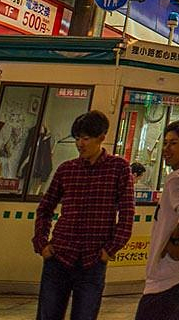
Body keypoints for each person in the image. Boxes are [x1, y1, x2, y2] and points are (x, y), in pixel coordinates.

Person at [33, 109, 134, 320]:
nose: (80, 143)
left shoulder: (119, 168)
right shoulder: (66, 169)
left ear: (101, 138)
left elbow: (127, 214)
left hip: (93, 260)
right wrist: (42, 243)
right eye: (77, 138)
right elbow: (45, 208)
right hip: (59, 256)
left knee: (85, 315)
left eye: (86, 138)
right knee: (48, 315)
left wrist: (110, 249)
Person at [134, 120, 179, 320]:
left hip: (170, 275)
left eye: (173, 143)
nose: (166, 149)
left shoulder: (177, 178)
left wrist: (175, 240)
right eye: (165, 143)